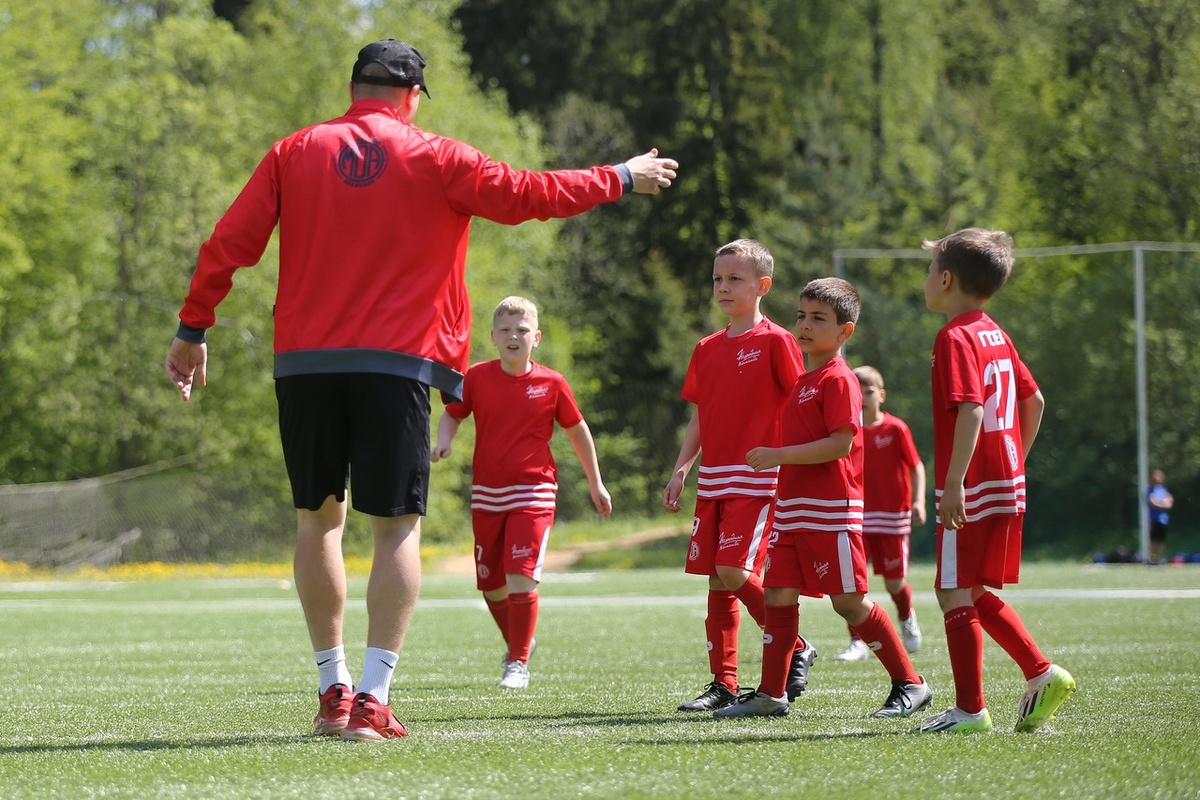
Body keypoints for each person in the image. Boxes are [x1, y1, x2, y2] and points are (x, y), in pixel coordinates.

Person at [163, 38, 677, 742]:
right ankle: (373, 700)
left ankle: (330, 689)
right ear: (412, 97)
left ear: (354, 88)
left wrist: (193, 329)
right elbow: (532, 194)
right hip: (396, 366)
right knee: (395, 527)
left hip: (307, 364)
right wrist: (620, 175)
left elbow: (229, 243)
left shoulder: (294, 150)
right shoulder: (437, 156)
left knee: (317, 520)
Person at [715, 278, 932, 720]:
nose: (806, 325)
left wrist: (777, 455)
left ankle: (911, 683)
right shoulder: (803, 380)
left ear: (845, 331)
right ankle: (771, 694)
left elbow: (840, 444)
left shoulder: (839, 379)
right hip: (793, 511)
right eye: (801, 316)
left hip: (830, 513)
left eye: (819, 319)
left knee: (847, 603)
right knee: (776, 595)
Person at [911, 228, 1075, 734]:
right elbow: (1035, 401)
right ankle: (1039, 673)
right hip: (1003, 477)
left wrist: (956, 480)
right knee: (968, 587)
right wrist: (1013, 464)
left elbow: (972, 410)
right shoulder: (994, 332)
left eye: (928, 269)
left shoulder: (956, 335)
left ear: (945, 277)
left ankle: (971, 709)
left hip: (974, 480)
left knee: (954, 589)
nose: (925, 279)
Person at [431, 296, 612, 690]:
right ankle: (518, 643)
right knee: (491, 584)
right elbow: (452, 414)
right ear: (494, 337)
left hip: (534, 491)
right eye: (506, 330)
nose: (515, 336)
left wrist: (596, 482)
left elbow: (578, 430)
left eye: (522, 330)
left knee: (520, 576)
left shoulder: (552, 382)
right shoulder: (477, 377)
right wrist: (444, 441)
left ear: (537, 337)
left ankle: (518, 662)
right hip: (487, 494)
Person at [662, 239, 812, 713]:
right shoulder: (706, 349)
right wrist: (682, 468)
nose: (723, 287)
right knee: (716, 580)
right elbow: (701, 416)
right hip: (715, 481)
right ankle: (723, 684)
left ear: (762, 286)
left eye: (735, 279)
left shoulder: (777, 340)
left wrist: (791, 459)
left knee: (733, 571)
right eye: (717, 279)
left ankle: (796, 643)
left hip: (759, 480)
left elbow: (799, 403)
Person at [834, 365, 927, 662]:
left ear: (881, 395)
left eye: (869, 391)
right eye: (857, 390)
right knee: (852, 584)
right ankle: (857, 643)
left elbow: (915, 466)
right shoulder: (846, 432)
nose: (863, 396)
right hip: (857, 516)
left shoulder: (895, 428)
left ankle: (906, 616)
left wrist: (919, 501)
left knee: (894, 583)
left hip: (892, 516)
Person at [1147, 469, 1173, 565]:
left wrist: (1161, 503)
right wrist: (1163, 503)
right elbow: (1153, 502)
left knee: (1161, 540)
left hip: (1163, 520)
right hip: (1154, 519)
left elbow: (1169, 502)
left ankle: (1158, 559)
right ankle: (1150, 559)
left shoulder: (1163, 490)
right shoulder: (1150, 489)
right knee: (1153, 540)